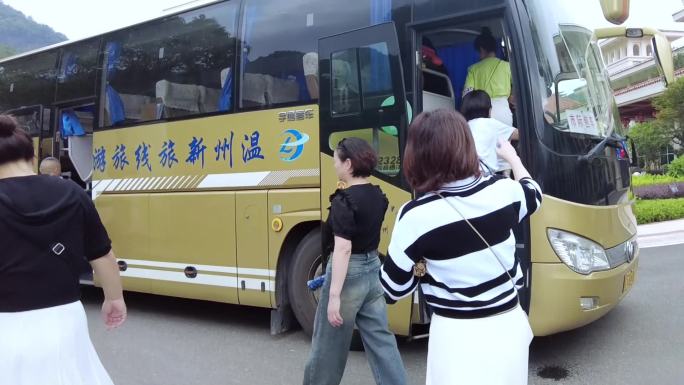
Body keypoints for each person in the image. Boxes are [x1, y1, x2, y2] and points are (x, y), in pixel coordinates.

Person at [380, 109, 542, 385]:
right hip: (509, 325)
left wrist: (422, 268)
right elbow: (533, 193)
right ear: (466, 146)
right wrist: (513, 158)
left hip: (456, 338)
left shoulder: (415, 216)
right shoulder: (504, 191)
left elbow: (391, 289)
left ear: (416, 156)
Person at [0, 115, 126, 385]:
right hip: (65, 319)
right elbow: (102, 254)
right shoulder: (72, 192)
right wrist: (114, 298)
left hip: (5, 322)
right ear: (32, 157)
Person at [303, 137, 408, 385]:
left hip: (348, 275)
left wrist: (335, 296)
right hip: (373, 271)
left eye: (337, 159)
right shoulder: (378, 195)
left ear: (348, 164)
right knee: (382, 342)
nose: (334, 164)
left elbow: (343, 249)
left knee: (327, 348)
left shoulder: (344, 200)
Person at [463, 27, 514, 126]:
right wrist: (512, 96)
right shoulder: (507, 66)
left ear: (481, 49)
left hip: (482, 112)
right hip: (503, 112)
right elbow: (517, 86)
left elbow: (467, 94)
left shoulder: (473, 69)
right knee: (504, 142)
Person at [461, 90, 519, 173]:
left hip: (464, 172)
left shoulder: (463, 126)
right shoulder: (491, 123)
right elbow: (519, 135)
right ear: (489, 110)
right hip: (484, 174)